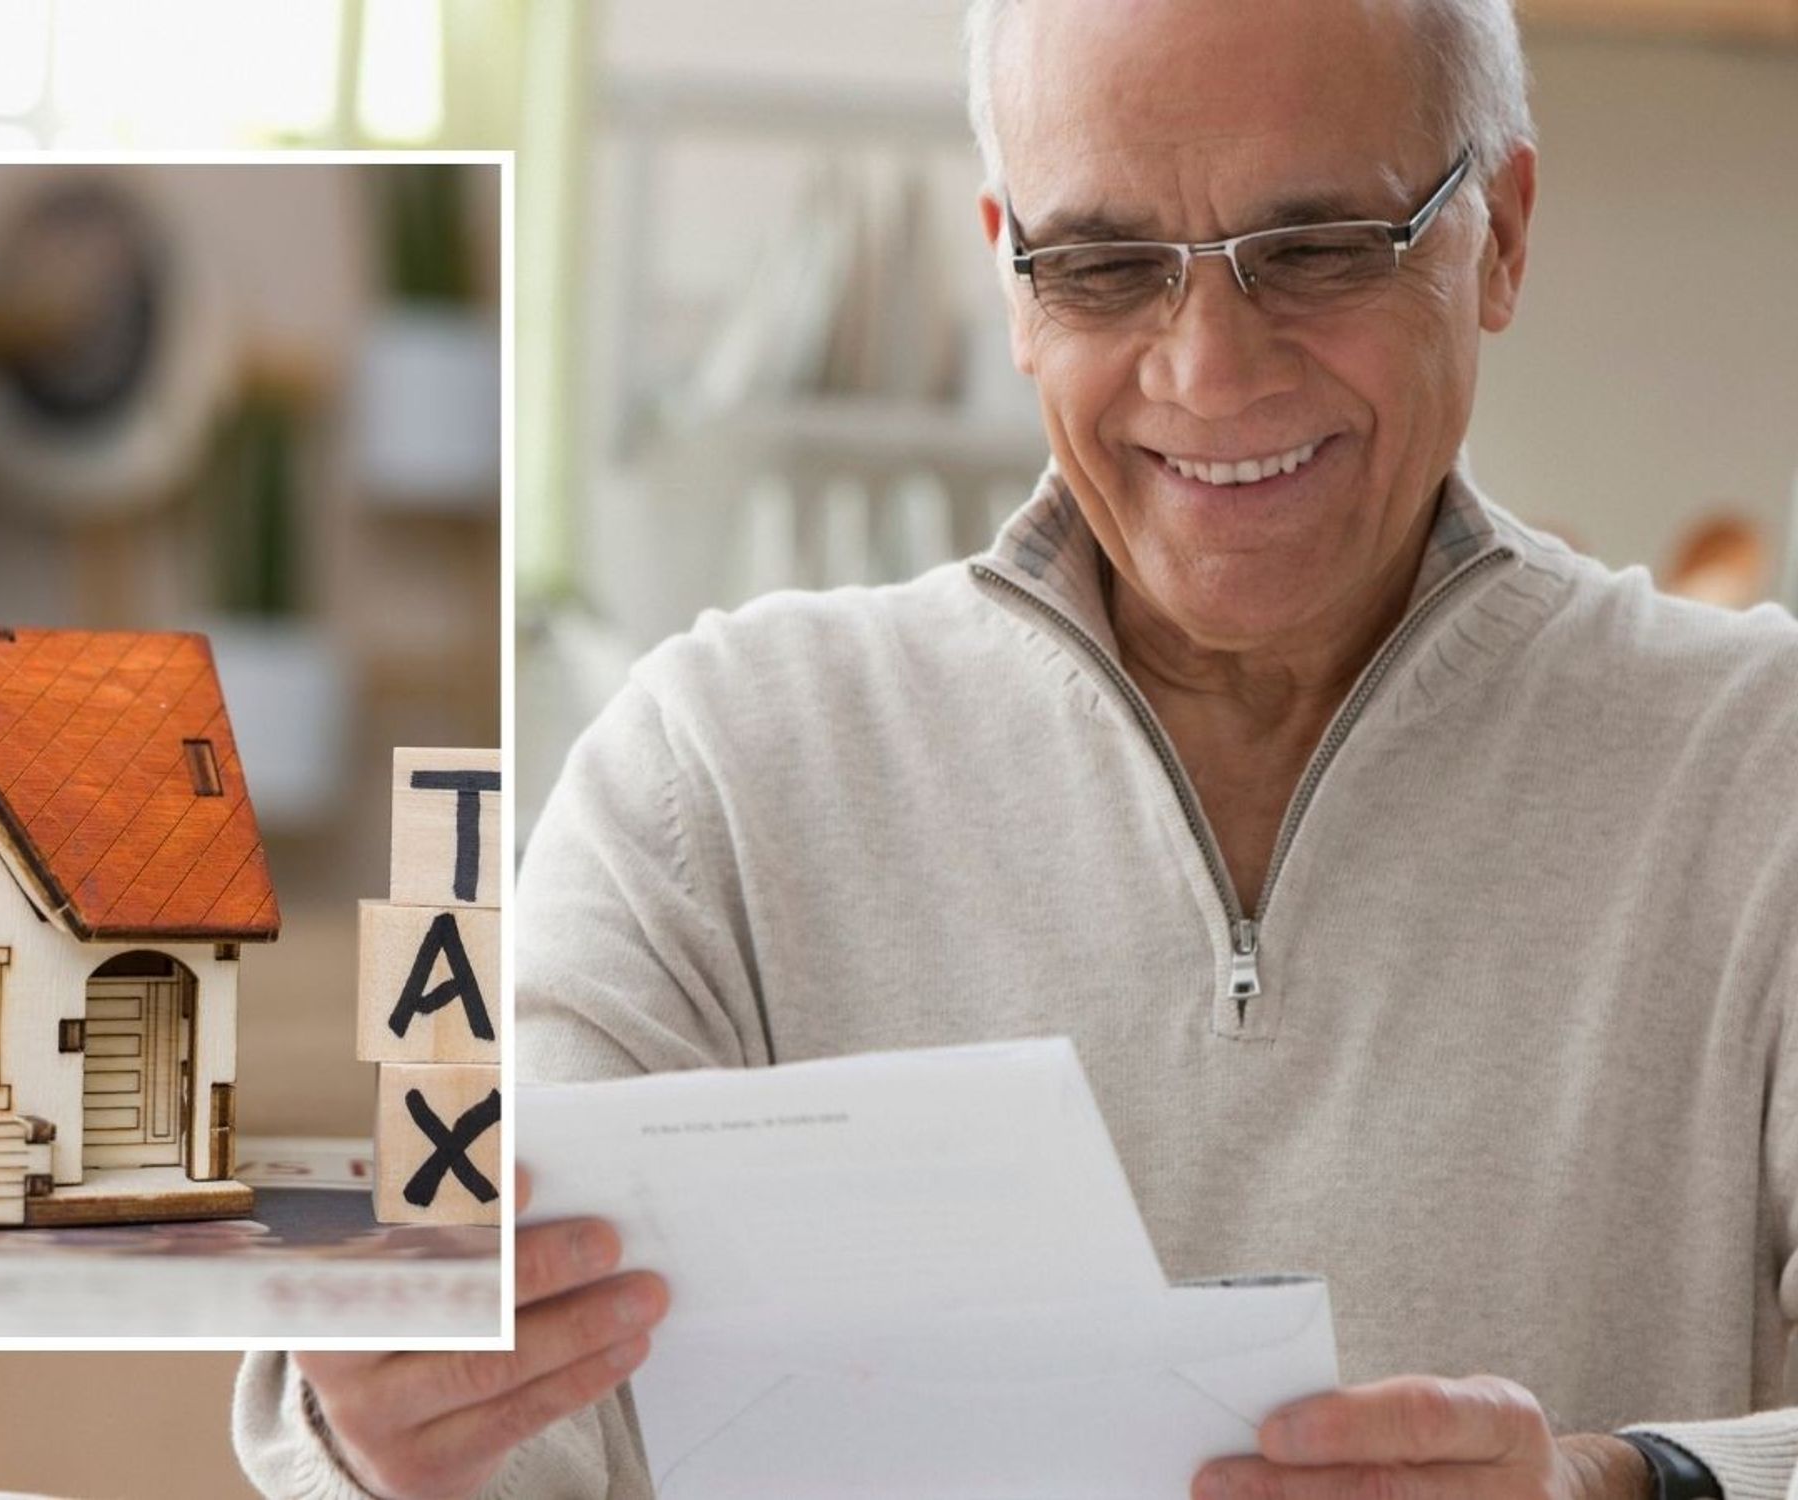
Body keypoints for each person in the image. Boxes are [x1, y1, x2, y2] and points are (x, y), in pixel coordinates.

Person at [236, 0, 1798, 1495]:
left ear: (1501, 235)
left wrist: (1626, 1485)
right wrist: (383, 1425)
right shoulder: (712, 773)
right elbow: (497, 1427)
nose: (1210, 373)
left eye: (1317, 250)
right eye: (1108, 268)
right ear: (1010, 278)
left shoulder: (1759, 772)